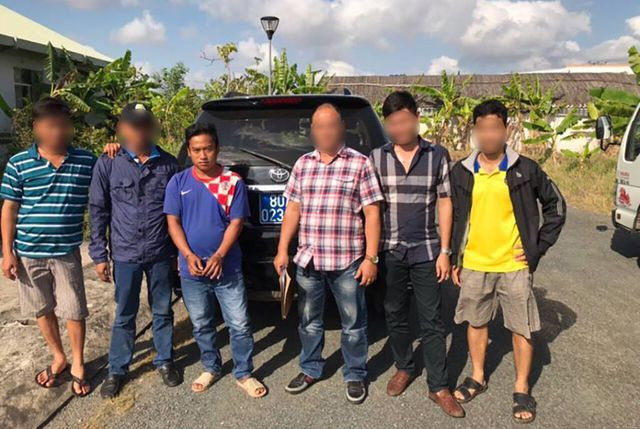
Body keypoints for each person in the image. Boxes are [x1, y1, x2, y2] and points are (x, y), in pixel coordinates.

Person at [450, 99, 566, 424]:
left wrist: (537, 247)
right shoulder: (461, 171)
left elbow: (556, 207)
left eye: (495, 128)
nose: (488, 135)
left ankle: (521, 387)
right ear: (475, 131)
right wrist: (455, 255)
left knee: (521, 326)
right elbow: (453, 215)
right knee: (476, 322)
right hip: (475, 263)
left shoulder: (525, 169)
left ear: (506, 129)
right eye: (482, 128)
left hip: (514, 266)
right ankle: (477, 376)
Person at [273, 103, 383, 404]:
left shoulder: (360, 164)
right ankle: (310, 368)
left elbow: (373, 214)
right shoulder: (303, 164)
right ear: (312, 130)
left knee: (354, 324)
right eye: (319, 127)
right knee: (308, 322)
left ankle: (355, 373)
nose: (325, 132)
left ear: (341, 128)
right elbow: (292, 209)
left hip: (348, 260)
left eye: (331, 126)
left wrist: (371, 258)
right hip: (309, 260)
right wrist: (282, 249)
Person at [369, 91, 465, 417]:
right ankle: (405, 367)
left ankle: (439, 386)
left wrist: (446, 251)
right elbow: (372, 208)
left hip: (427, 250)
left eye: (404, 121)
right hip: (390, 250)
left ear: (416, 118)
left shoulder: (437, 155)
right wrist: (371, 253)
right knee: (394, 313)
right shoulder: (376, 158)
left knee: (432, 319)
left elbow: (446, 202)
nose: (399, 128)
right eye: (392, 123)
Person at [0, 97, 96, 397]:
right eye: (51, 126)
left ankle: (78, 362)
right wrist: (7, 252)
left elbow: (111, 179)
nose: (58, 132)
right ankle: (59, 357)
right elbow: (9, 209)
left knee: (74, 309)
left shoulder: (86, 161)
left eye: (64, 125)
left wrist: (112, 149)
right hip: (28, 253)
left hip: (66, 251)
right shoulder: (19, 163)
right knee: (41, 308)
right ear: (36, 127)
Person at [164, 122, 267, 398]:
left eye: (208, 148)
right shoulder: (178, 182)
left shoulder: (232, 182)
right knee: (201, 323)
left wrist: (220, 255)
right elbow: (173, 222)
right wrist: (187, 255)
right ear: (189, 151)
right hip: (192, 270)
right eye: (196, 150)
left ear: (217, 149)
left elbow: (236, 223)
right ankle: (211, 367)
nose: (203, 155)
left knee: (239, 323)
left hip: (227, 268)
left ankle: (244, 372)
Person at [89, 102, 180, 398]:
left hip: (160, 252)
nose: (139, 131)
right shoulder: (108, 162)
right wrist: (99, 255)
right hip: (125, 253)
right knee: (124, 313)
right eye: (133, 125)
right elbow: (98, 210)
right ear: (123, 128)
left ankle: (165, 360)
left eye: (144, 125)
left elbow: (177, 213)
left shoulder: (168, 164)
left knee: (162, 310)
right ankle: (118, 369)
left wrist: (179, 253)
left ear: (150, 127)